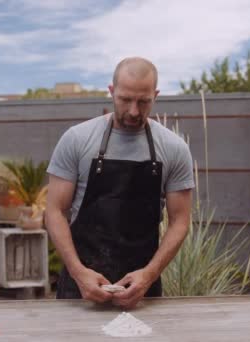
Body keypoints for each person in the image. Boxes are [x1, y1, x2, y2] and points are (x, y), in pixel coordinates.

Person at [45, 56, 195, 309]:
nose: (134, 111)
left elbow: (180, 221)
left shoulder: (174, 148)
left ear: (155, 95)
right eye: (125, 100)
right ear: (112, 91)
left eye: (143, 102)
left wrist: (148, 275)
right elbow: (54, 210)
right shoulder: (77, 139)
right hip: (80, 289)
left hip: (143, 292)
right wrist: (78, 272)